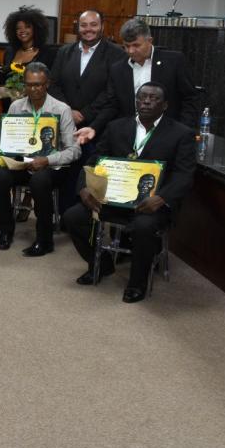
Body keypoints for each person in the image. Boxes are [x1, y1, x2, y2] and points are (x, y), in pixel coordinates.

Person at [65, 82, 196, 303]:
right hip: (112, 198)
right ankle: (103, 264)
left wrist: (162, 198)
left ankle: (137, 282)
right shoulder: (116, 127)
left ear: (165, 105)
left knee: (144, 226)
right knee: (73, 217)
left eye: (153, 99)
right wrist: (84, 188)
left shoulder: (181, 133)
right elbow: (94, 160)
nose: (146, 102)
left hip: (153, 203)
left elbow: (185, 175)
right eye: (142, 97)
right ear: (135, 101)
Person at [0, 63, 80, 255]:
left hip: (52, 167)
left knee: (40, 181)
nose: (34, 89)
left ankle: (44, 239)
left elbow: (74, 150)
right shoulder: (16, 106)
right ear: (24, 85)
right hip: (23, 163)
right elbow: (9, 141)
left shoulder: (61, 109)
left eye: (39, 84)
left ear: (47, 84)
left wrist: (47, 160)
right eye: (30, 84)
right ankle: (6, 230)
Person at [48, 9, 125, 212]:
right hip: (66, 123)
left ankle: (86, 221)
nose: (88, 29)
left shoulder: (117, 54)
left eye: (93, 24)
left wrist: (85, 113)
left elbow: (112, 91)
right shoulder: (65, 51)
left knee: (89, 175)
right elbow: (53, 84)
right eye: (84, 25)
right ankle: (64, 216)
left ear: (102, 27)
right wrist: (69, 111)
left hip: (98, 125)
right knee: (66, 172)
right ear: (77, 27)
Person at [76, 18, 200, 142]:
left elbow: (189, 99)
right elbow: (112, 106)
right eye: (126, 46)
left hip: (168, 135)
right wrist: (94, 127)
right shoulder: (118, 69)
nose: (131, 51)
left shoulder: (174, 61)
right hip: (131, 137)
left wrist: (184, 131)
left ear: (149, 41)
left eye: (136, 45)